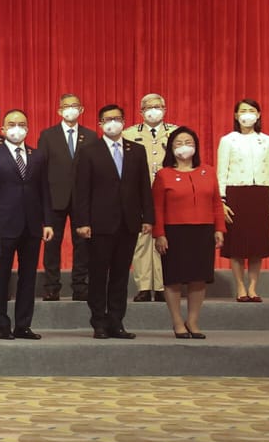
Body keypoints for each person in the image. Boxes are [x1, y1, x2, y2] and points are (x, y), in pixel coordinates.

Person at [72, 104, 154, 340]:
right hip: (99, 224)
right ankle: (98, 321)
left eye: (117, 118)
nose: (113, 123)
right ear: (100, 124)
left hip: (128, 222)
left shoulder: (136, 150)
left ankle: (117, 321)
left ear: (124, 121)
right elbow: (81, 190)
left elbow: (143, 188)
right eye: (108, 119)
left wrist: (147, 217)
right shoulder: (89, 150)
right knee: (98, 274)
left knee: (120, 275)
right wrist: (82, 222)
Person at [0, 109, 51, 341]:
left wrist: (48, 221)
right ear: (2, 129)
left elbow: (45, 189)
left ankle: (23, 325)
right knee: (0, 277)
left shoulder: (38, 155)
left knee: (28, 277)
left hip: (32, 225)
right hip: (4, 224)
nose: (17, 128)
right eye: (11, 124)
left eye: (21, 124)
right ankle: (2, 324)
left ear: (28, 128)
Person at [154, 127, 221, 339]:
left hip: (203, 230)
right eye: (178, 142)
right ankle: (177, 322)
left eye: (188, 141)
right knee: (173, 279)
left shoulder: (208, 171)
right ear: (171, 148)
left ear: (196, 146)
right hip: (174, 232)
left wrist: (219, 229)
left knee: (198, 278)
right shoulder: (164, 174)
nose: (184, 146)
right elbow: (157, 207)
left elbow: (217, 203)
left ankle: (192, 321)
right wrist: (159, 233)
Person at [217, 99, 269, 302]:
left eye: (251, 111)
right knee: (237, 246)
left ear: (259, 114)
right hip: (236, 193)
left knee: (257, 247)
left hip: (260, 194)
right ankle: (240, 287)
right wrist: (221, 200)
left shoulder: (266, 140)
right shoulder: (228, 140)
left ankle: (253, 287)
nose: (247, 114)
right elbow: (221, 171)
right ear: (235, 115)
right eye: (243, 111)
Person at [39, 93, 95, 302]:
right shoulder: (48, 135)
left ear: (81, 110)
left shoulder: (90, 136)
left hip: (82, 198)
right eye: (66, 106)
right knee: (52, 243)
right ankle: (51, 286)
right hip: (55, 197)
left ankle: (80, 286)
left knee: (83, 244)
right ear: (59, 111)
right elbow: (42, 168)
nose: (70, 109)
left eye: (75, 105)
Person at [123, 93, 176, 302]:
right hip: (139, 193)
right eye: (148, 107)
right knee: (142, 239)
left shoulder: (175, 132)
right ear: (141, 111)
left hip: (168, 192)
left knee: (165, 237)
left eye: (158, 106)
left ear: (165, 109)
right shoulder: (128, 134)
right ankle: (144, 286)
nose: (153, 110)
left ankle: (163, 285)